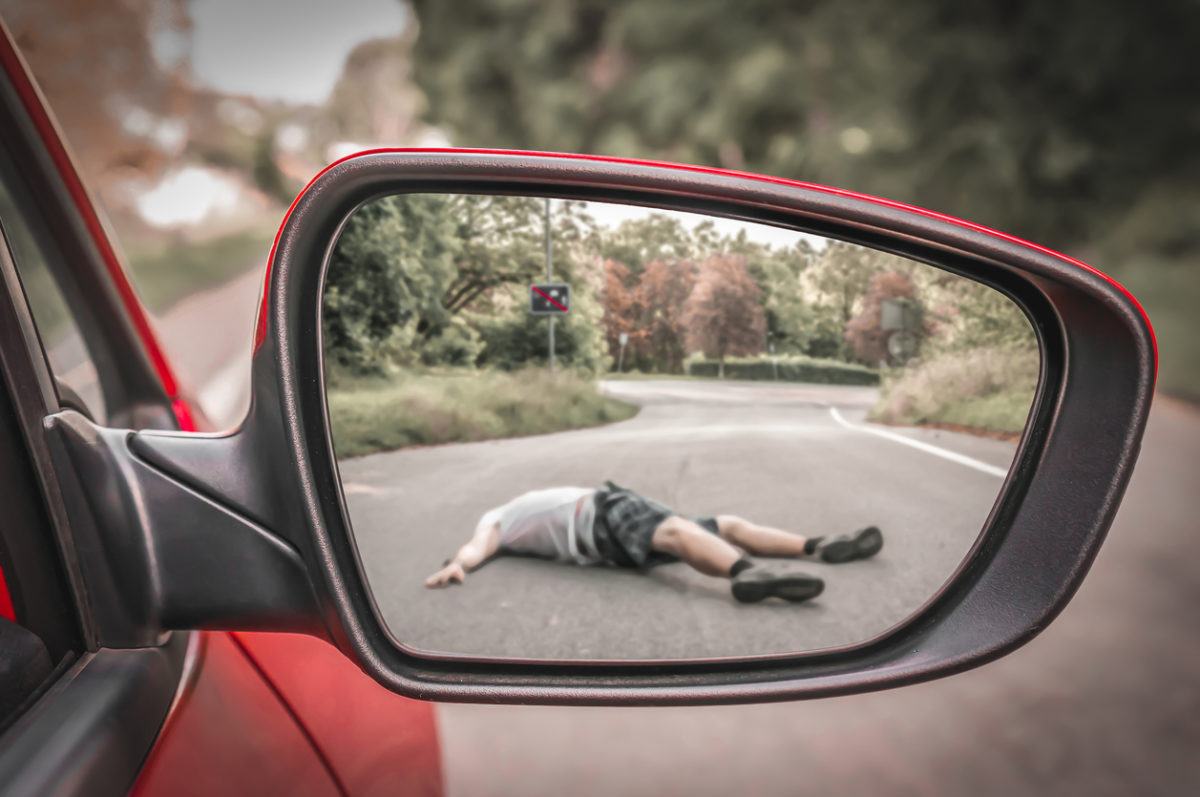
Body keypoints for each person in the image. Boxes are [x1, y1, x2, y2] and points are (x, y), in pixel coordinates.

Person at [424, 481, 883, 604]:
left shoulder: (506, 517)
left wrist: (462, 562)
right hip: (601, 513)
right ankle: (748, 574)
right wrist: (458, 564)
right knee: (679, 532)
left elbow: (481, 546)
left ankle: (819, 547)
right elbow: (478, 545)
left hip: (603, 530)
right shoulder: (497, 518)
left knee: (724, 524)